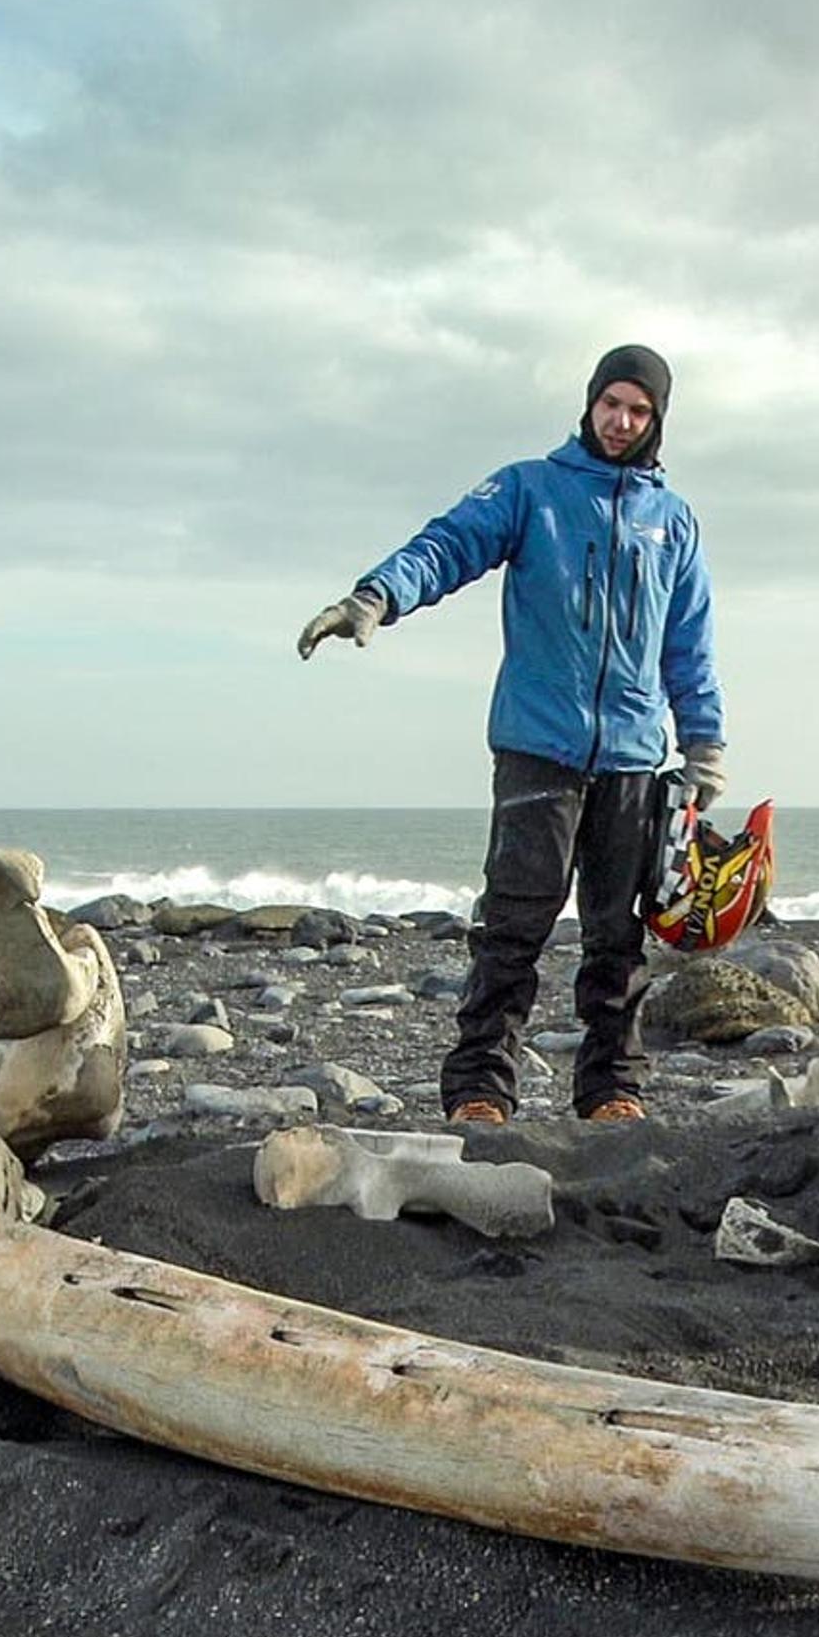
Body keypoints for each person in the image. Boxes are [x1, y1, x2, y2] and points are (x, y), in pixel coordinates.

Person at [298, 345, 724, 1127]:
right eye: (612, 403)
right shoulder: (532, 488)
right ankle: (479, 1090)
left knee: (617, 939)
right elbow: (450, 543)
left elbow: (688, 641)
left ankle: (610, 1090)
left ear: (657, 419)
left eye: (639, 410)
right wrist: (376, 596)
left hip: (633, 755)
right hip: (538, 746)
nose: (622, 421)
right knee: (514, 927)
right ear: (590, 402)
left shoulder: (675, 521)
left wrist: (705, 744)